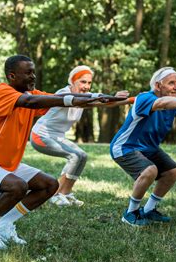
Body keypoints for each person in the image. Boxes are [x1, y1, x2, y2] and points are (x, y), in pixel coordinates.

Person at [0, 55, 121, 250]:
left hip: (5, 165)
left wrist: (104, 98)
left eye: (33, 72)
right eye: (28, 72)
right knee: (18, 186)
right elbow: (32, 101)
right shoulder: (1, 91)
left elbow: (59, 99)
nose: (33, 76)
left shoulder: (32, 94)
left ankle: (3, 224)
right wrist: (78, 99)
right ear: (12, 76)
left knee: (49, 185)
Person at [110, 67, 176, 226]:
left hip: (148, 148)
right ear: (158, 86)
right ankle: (131, 212)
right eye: (171, 83)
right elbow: (162, 104)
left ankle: (149, 210)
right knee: (150, 170)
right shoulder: (145, 97)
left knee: (172, 171)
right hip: (125, 147)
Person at [30, 65, 132, 207]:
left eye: (89, 83)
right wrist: (110, 97)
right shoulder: (64, 93)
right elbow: (90, 98)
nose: (86, 86)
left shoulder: (83, 100)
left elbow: (104, 104)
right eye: (83, 82)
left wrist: (133, 99)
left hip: (57, 137)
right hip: (41, 136)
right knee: (75, 156)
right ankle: (55, 195)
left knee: (82, 156)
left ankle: (66, 193)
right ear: (72, 81)